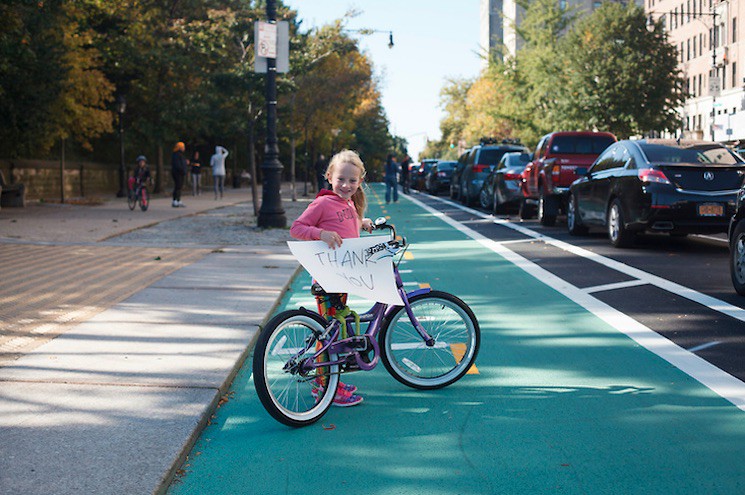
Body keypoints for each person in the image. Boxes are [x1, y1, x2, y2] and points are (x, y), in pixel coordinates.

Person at [289, 149, 374, 407]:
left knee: (334, 331)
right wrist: (320, 234)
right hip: (327, 279)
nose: (346, 185)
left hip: (343, 278)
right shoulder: (323, 203)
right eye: (341, 179)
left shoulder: (349, 204)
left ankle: (331, 381)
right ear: (329, 177)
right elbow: (297, 228)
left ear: (360, 181)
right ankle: (324, 388)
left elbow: (346, 226)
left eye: (352, 181)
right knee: (328, 336)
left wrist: (363, 223)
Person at [171, 142, 188, 207]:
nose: (184, 148)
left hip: (180, 173)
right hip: (177, 173)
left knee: (179, 187)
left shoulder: (180, 154)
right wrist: (182, 170)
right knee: (177, 186)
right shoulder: (176, 154)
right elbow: (177, 164)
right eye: (183, 147)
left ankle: (178, 200)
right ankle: (175, 200)